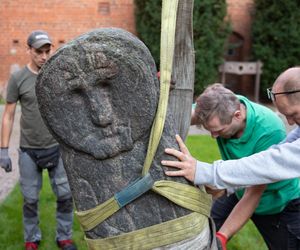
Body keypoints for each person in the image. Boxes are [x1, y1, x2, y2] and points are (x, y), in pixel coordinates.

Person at [162, 67, 300, 249]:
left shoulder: (269, 129)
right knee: (203, 233)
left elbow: (267, 168)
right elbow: (176, 116)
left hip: (278, 204)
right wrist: (161, 93)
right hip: (239, 188)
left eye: (293, 115)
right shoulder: (220, 106)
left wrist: (205, 172)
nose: (289, 123)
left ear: (237, 116)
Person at [0, 31, 76, 250]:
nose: (44, 56)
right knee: (30, 200)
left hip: (56, 148)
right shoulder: (18, 79)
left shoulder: (56, 76)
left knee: (64, 195)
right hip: (29, 151)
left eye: (47, 51)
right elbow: (8, 114)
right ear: (29, 51)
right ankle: (31, 238)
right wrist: (3, 150)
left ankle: (64, 237)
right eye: (38, 52)